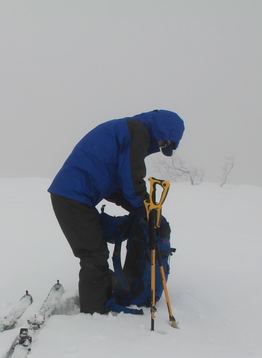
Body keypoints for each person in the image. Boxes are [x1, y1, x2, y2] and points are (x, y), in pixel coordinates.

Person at [48, 109, 185, 314]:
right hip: (72, 196)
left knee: (96, 248)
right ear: (161, 129)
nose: (160, 147)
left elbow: (116, 184)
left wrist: (140, 209)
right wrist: (142, 207)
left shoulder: (128, 130)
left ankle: (106, 293)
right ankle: (94, 311)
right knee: (93, 254)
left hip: (73, 195)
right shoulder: (137, 131)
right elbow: (131, 177)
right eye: (163, 142)